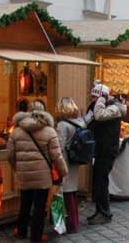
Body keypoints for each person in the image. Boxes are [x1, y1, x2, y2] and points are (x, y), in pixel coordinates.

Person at [7, 101, 68, 242]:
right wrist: (63, 172)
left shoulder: (16, 131)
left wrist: (17, 168)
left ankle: (21, 232)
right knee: (39, 208)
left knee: (25, 204)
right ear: (45, 113)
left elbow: (10, 154)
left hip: (23, 175)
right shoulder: (50, 131)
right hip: (42, 176)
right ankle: (36, 237)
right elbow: (56, 156)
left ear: (29, 112)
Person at [87, 84, 127, 225]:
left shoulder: (114, 108)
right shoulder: (101, 105)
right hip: (100, 149)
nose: (92, 99)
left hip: (107, 150)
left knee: (102, 182)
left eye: (94, 97)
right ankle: (100, 211)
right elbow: (89, 121)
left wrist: (100, 101)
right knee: (98, 181)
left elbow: (99, 116)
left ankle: (105, 213)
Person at [56, 97, 84, 233]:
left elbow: (59, 147)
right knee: (72, 192)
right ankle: (75, 221)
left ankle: (71, 224)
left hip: (65, 162)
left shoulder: (62, 125)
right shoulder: (79, 122)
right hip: (75, 161)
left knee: (66, 193)